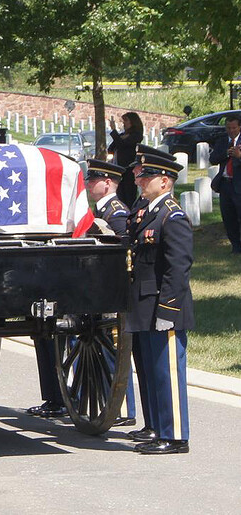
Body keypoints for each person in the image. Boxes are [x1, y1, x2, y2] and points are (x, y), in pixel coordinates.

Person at [126, 152, 192, 455]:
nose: (141, 181)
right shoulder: (151, 212)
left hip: (164, 307)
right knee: (153, 372)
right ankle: (159, 429)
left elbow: (177, 268)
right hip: (145, 305)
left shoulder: (172, 216)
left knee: (168, 372)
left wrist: (169, 309)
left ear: (164, 181)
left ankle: (176, 435)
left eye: (147, 177)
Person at [84, 159, 136, 425]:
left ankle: (123, 409)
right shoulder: (102, 210)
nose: (88, 184)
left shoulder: (115, 213)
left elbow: (122, 257)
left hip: (112, 293)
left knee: (114, 350)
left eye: (93, 180)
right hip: (100, 291)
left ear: (107, 183)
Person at [209, 114, 241, 253]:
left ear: (239, 127)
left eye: (234, 128)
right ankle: (236, 246)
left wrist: (239, 156)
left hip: (239, 184)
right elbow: (213, 159)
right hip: (225, 184)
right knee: (228, 217)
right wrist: (226, 153)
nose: (231, 131)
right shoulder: (222, 141)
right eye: (228, 128)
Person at [108, 112, 144, 207]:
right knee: (120, 193)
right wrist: (118, 137)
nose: (124, 124)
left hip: (129, 168)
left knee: (128, 194)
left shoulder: (137, 135)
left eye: (126, 121)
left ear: (132, 122)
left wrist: (114, 131)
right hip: (119, 168)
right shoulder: (123, 135)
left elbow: (123, 145)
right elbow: (111, 148)